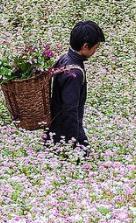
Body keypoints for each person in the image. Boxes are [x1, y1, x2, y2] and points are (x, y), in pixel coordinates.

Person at [45, 21, 105, 153]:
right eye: (95, 47)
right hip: (64, 133)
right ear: (85, 46)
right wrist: (75, 142)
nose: (95, 51)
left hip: (55, 129)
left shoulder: (64, 58)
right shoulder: (75, 73)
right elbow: (70, 110)